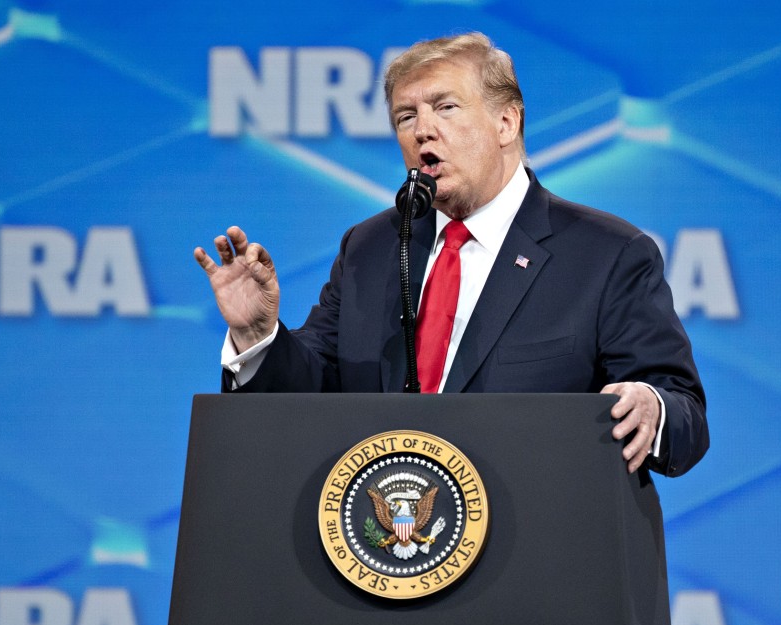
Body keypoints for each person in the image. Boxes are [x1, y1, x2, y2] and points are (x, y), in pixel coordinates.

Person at [194, 32, 708, 477]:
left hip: (538, 555)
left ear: (507, 123)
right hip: (387, 552)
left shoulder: (606, 253)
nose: (422, 130)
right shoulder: (372, 248)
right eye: (406, 116)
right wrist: (258, 335)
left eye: (446, 107)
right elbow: (312, 389)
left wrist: (652, 408)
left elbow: (684, 413)